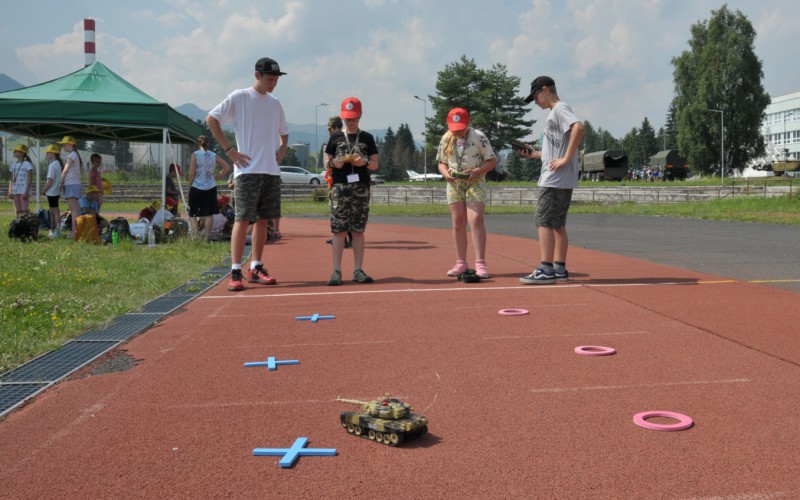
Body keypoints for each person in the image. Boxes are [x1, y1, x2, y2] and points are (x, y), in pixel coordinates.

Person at [206, 57, 289, 291]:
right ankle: (234, 270)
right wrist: (229, 150)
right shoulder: (240, 97)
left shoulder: (275, 103)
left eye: (276, 80)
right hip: (247, 171)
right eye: (270, 79)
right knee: (242, 220)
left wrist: (282, 148)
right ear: (257, 76)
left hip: (270, 171)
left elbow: (284, 131)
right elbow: (211, 119)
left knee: (264, 220)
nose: (273, 83)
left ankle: (256, 266)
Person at [518, 76, 585, 284]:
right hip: (561, 178)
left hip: (554, 179)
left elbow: (579, 127)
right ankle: (559, 268)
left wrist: (565, 159)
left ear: (545, 90)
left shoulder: (559, 109)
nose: (536, 102)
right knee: (557, 224)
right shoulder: (557, 112)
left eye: (536, 96)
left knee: (543, 221)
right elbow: (555, 150)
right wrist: (536, 154)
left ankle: (545, 269)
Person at [323, 97, 379, 286]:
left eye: (354, 118)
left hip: (361, 187)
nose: (351, 122)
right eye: (347, 119)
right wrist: (334, 163)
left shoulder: (367, 138)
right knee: (338, 230)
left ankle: (357, 270)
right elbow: (327, 163)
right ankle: (336, 271)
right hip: (340, 187)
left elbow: (375, 165)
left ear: (360, 116)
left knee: (358, 230)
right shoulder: (334, 137)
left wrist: (364, 162)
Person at [436, 108, 497, 279]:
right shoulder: (446, 138)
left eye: (461, 128)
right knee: (458, 221)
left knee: (475, 218)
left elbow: (492, 161)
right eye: (454, 128)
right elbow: (441, 162)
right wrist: (445, 173)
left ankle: (480, 263)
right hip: (454, 183)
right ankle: (461, 262)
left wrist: (477, 171)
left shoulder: (479, 137)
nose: (457, 132)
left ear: (468, 123)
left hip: (475, 180)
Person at [188, 135, 231, 241]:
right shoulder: (213, 155)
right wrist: (218, 176)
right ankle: (207, 237)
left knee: (192, 213)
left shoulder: (195, 155)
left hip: (197, 186)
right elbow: (227, 167)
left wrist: (189, 185)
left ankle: (195, 236)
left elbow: (192, 174)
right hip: (211, 186)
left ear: (198, 144)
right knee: (208, 213)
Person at [323, 115, 352, 249]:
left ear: (334, 127)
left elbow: (329, 163)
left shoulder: (338, 139)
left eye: (329, 129)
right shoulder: (345, 138)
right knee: (342, 211)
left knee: (340, 211)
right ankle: (342, 238)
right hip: (340, 180)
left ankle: (345, 239)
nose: (329, 132)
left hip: (342, 181)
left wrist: (331, 162)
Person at [57, 136, 83, 237]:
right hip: (75, 183)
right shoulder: (76, 155)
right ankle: (77, 231)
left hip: (71, 183)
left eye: (64, 144)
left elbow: (66, 169)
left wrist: (61, 182)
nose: (63, 146)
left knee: (74, 210)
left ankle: (75, 232)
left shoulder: (72, 155)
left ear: (70, 144)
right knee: (75, 209)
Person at [42, 144, 63, 238]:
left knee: (55, 211)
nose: (46, 154)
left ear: (53, 153)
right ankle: (53, 230)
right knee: (53, 211)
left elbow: (50, 181)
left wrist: (43, 190)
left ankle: (57, 231)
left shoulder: (53, 165)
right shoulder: (58, 164)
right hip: (56, 191)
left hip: (52, 192)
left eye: (48, 152)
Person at [8, 144, 33, 216]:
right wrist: (10, 190)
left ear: (22, 153)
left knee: (24, 210)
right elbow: (11, 179)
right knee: (18, 211)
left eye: (16, 151)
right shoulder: (13, 164)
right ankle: (18, 225)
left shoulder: (27, 164)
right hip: (15, 190)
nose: (14, 152)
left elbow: (30, 178)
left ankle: (25, 225)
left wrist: (27, 191)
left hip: (24, 190)